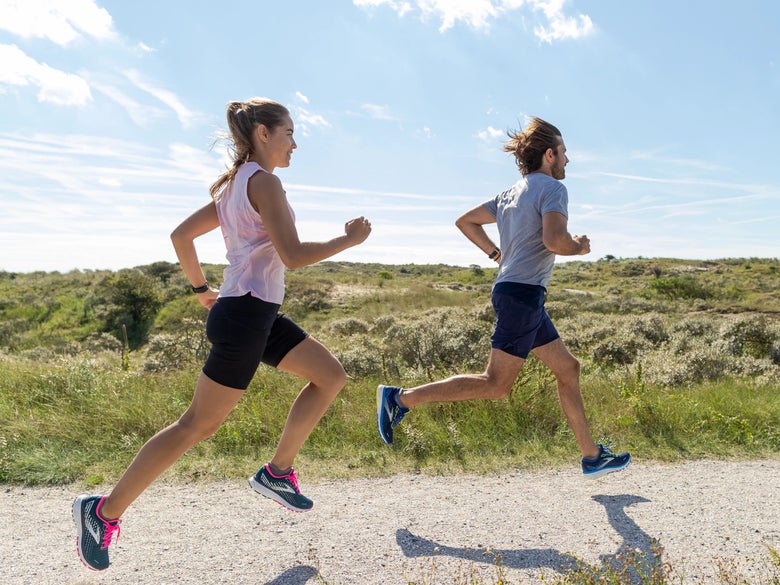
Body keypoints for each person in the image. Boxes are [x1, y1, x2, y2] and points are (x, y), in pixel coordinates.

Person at [73, 98, 372, 571]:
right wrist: (347, 241)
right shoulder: (265, 182)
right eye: (290, 133)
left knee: (330, 376)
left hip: (255, 312)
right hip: (247, 316)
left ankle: (277, 472)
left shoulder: (235, 186)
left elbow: (180, 236)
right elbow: (291, 254)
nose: (295, 143)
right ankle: (103, 513)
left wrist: (201, 290)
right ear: (263, 133)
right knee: (196, 425)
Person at [377, 116, 630, 479]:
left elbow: (465, 221)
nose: (567, 161)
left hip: (517, 292)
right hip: (523, 296)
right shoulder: (553, 190)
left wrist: (498, 256)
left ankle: (592, 456)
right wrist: (578, 248)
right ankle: (399, 399)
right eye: (564, 153)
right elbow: (554, 241)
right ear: (549, 155)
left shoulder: (511, 193)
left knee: (567, 368)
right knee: (495, 384)